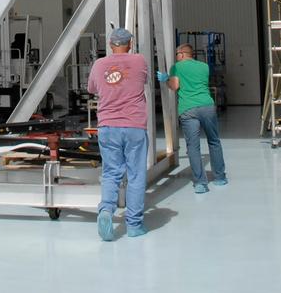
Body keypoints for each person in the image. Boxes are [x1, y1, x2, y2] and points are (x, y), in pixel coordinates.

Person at [87, 27, 149, 241]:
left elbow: (92, 89)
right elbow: (144, 81)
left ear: (111, 45)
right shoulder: (139, 61)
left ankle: (106, 210)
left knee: (111, 173)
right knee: (136, 175)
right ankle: (134, 225)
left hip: (108, 126)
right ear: (130, 44)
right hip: (134, 126)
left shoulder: (99, 64)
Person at [156, 43, 226, 193]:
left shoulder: (176, 67)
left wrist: (166, 79)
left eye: (176, 54)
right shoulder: (204, 66)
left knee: (193, 147)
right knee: (214, 141)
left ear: (181, 54)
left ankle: (200, 183)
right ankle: (220, 177)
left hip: (188, 110)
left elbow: (175, 86)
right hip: (207, 106)